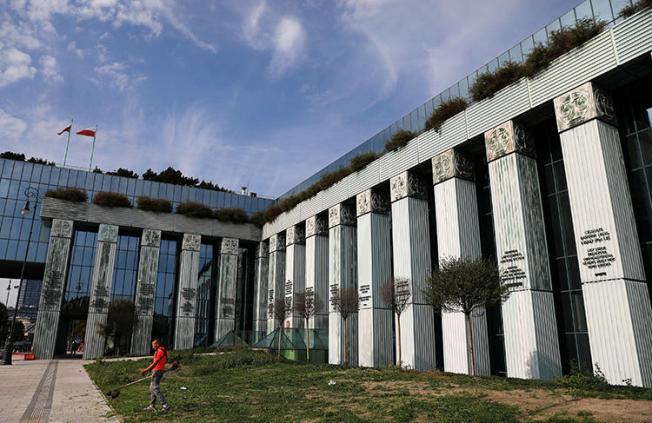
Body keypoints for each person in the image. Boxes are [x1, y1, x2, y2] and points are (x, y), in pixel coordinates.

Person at [140, 339, 171, 412]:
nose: (152, 346)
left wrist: (145, 370)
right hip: (158, 370)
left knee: (155, 388)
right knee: (152, 388)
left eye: (153, 345)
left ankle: (165, 405)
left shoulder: (160, 351)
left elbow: (155, 363)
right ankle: (151, 405)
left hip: (157, 371)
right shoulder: (163, 350)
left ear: (157, 344)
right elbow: (158, 361)